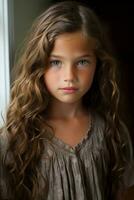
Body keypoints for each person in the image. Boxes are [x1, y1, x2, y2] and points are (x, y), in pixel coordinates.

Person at [0, 1, 134, 199]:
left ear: (99, 64)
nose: (69, 76)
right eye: (55, 62)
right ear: (38, 64)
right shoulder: (14, 140)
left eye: (82, 62)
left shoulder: (113, 132)